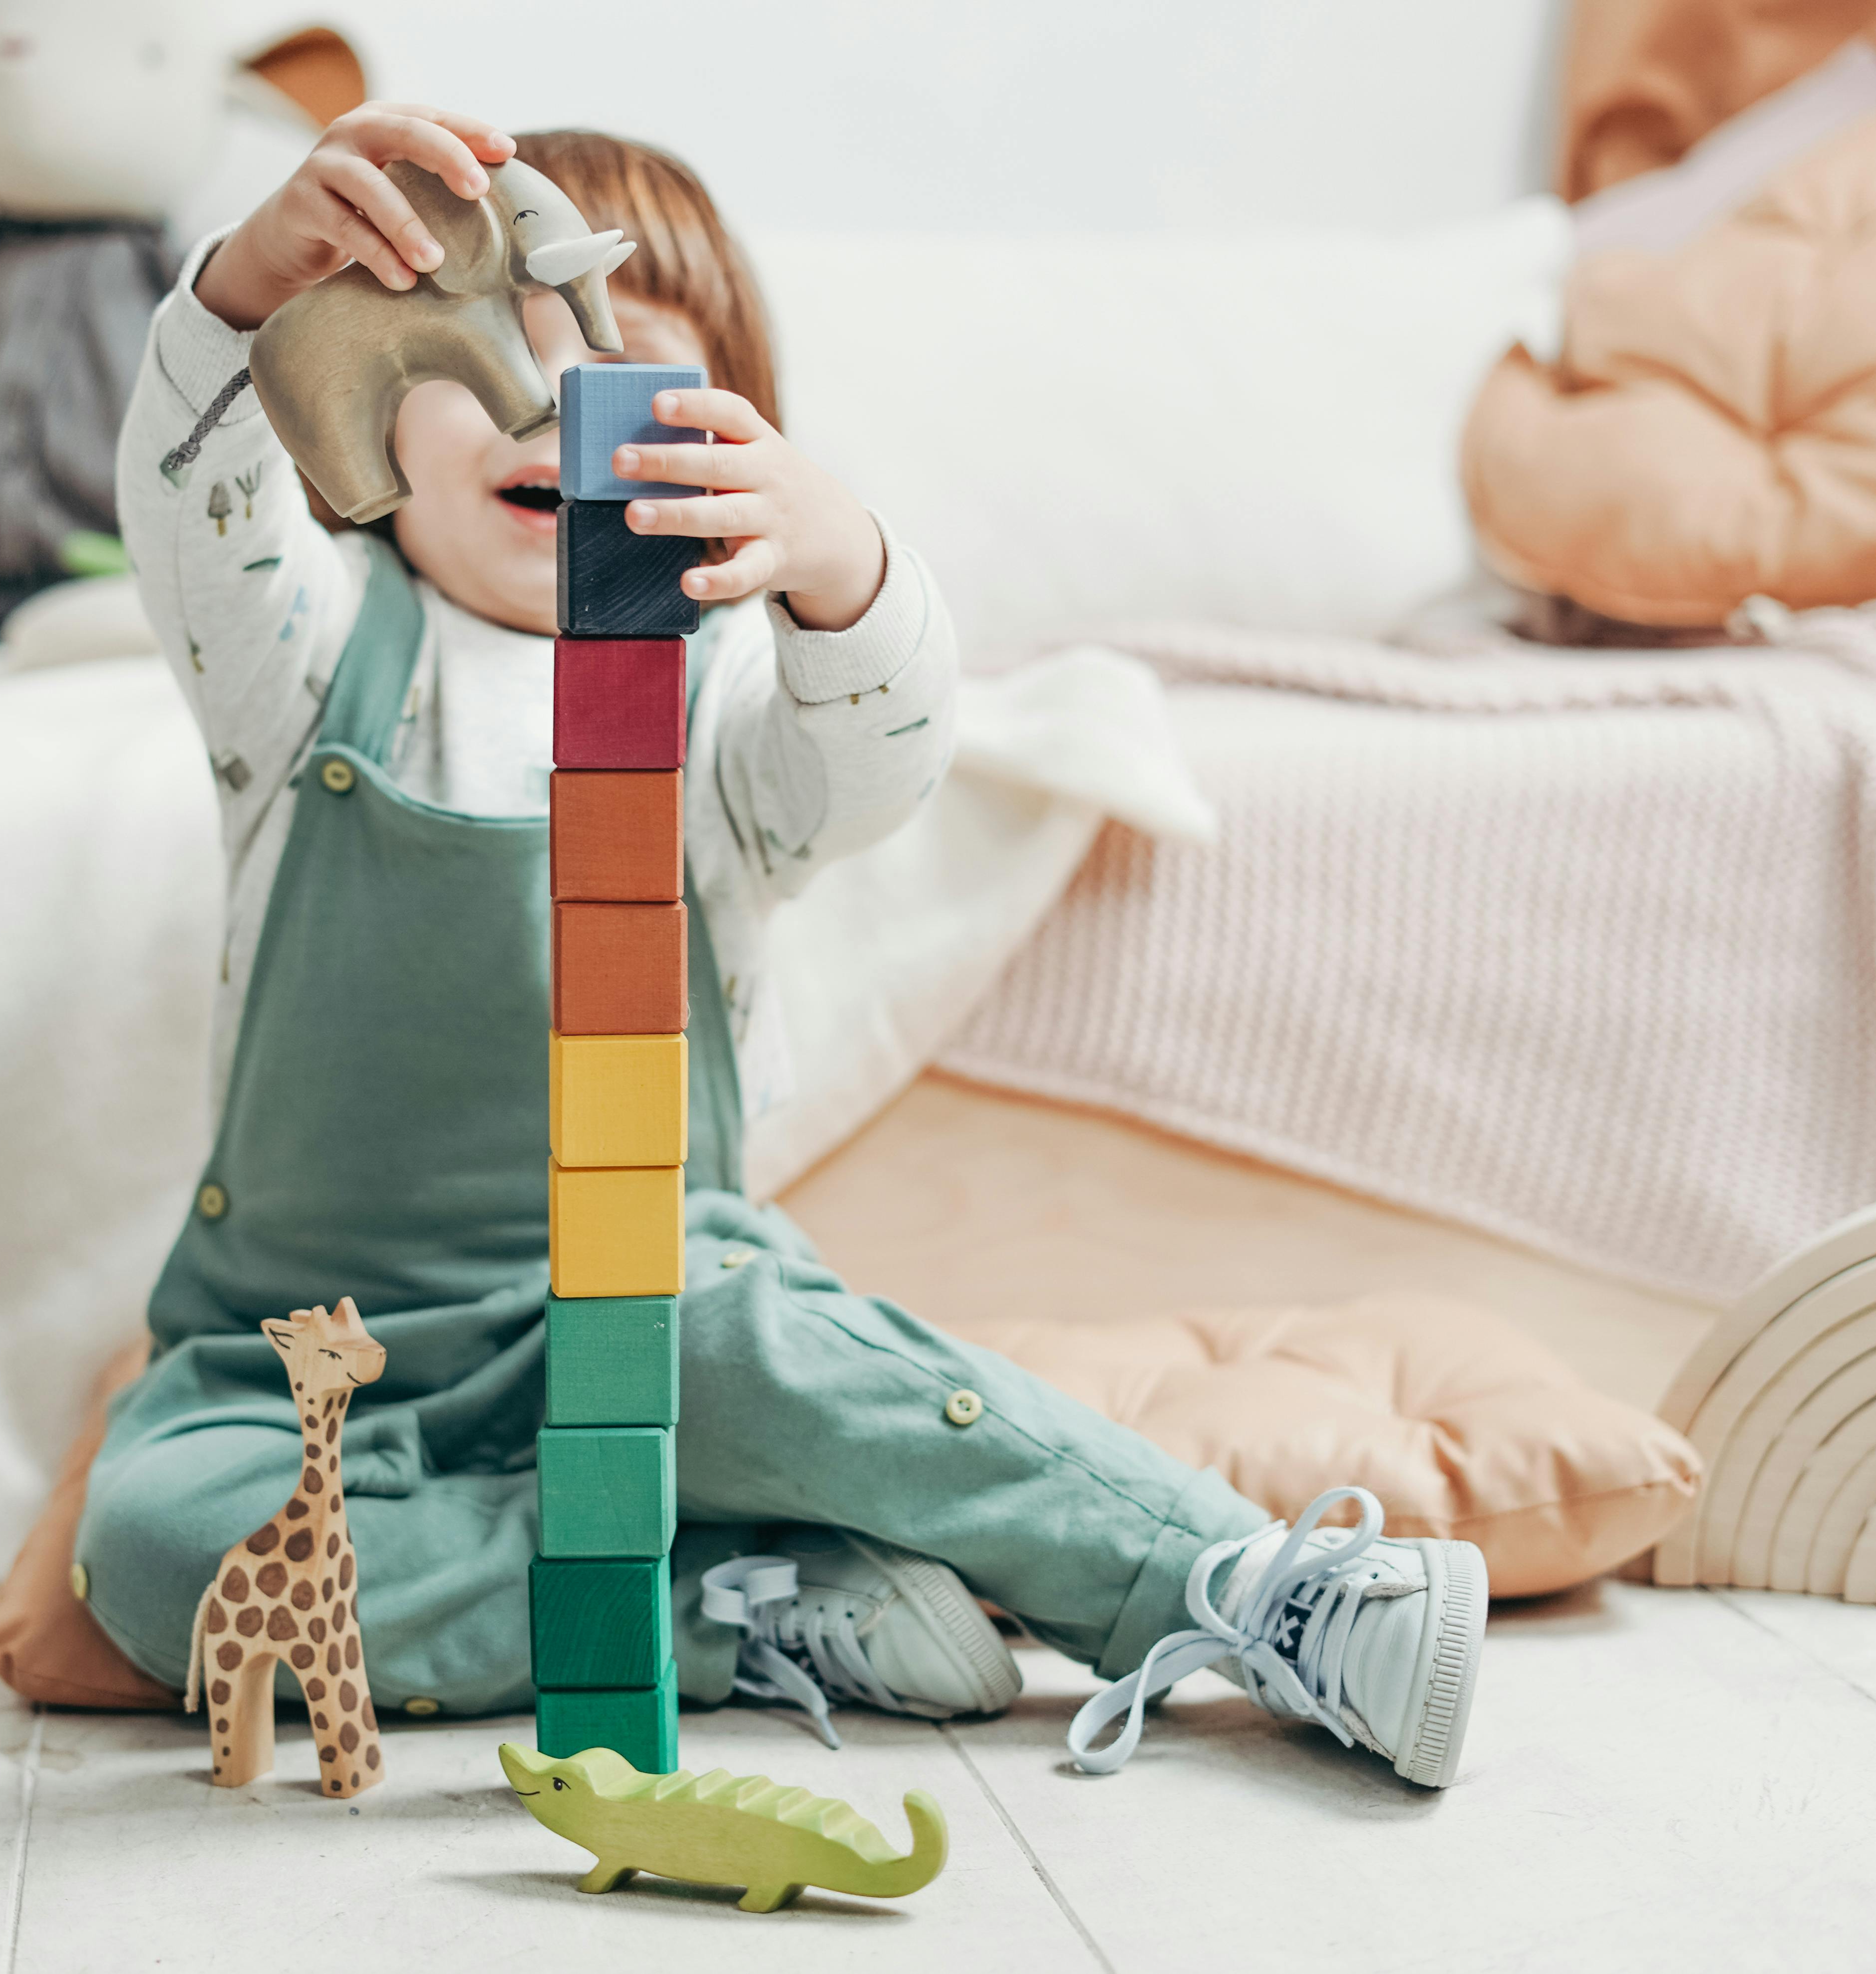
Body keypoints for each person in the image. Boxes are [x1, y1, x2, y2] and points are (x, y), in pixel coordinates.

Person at [75, 105, 1487, 1786]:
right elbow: (191, 491)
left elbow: (878, 757)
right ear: (368, 389)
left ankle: (1248, 1582)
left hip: (644, 1312)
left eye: (619, 363)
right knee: (167, 1553)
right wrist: (243, 292)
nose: (554, 397)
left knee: (765, 1341)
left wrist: (841, 564)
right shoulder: (300, 656)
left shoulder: (730, 688)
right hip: (301, 1364)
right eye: (489, 343)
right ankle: (741, 1605)